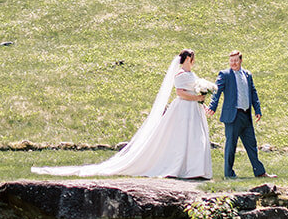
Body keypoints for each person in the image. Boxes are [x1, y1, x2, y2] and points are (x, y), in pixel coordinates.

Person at [31, 49, 214, 179]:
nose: (193, 60)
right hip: (184, 109)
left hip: (194, 109)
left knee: (195, 138)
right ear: (187, 59)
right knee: (182, 137)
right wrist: (197, 98)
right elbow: (180, 93)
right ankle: (182, 167)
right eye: (192, 57)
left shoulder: (191, 73)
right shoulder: (181, 74)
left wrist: (201, 99)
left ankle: (194, 168)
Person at [208, 50, 266, 179]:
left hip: (246, 115)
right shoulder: (225, 74)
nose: (233, 63)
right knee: (231, 146)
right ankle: (229, 174)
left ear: (241, 61)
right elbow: (217, 91)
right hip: (232, 116)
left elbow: (253, 92)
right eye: (231, 60)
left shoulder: (247, 74)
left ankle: (260, 172)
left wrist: (257, 110)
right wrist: (213, 106)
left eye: (236, 60)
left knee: (252, 144)